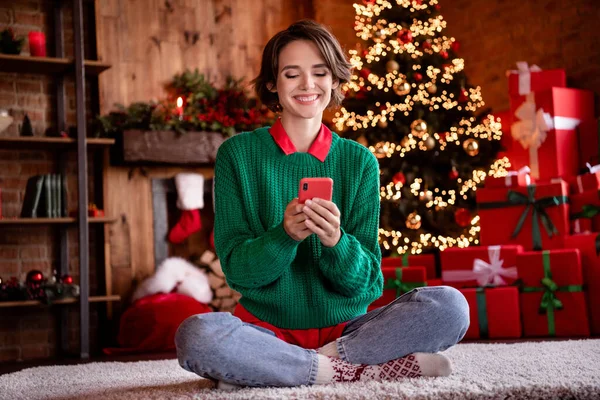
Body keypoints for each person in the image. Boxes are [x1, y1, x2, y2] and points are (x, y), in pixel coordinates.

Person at [175, 19, 469, 389]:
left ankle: (300, 367)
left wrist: (335, 241)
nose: (308, 85)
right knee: (197, 336)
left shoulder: (359, 161)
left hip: (348, 331)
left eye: (319, 72)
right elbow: (238, 273)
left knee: (450, 307)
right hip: (264, 331)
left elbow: (366, 285)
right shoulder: (237, 155)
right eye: (291, 74)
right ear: (272, 84)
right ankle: (353, 371)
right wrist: (284, 236)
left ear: (334, 81)